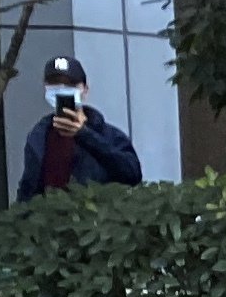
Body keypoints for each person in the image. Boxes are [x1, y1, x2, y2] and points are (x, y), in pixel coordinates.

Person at [14, 55, 144, 202]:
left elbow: (132, 174)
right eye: (54, 83)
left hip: (94, 220)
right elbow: (28, 187)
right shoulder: (39, 135)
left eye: (70, 84)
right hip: (48, 220)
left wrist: (85, 135)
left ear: (85, 90)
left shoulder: (108, 135)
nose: (62, 89)